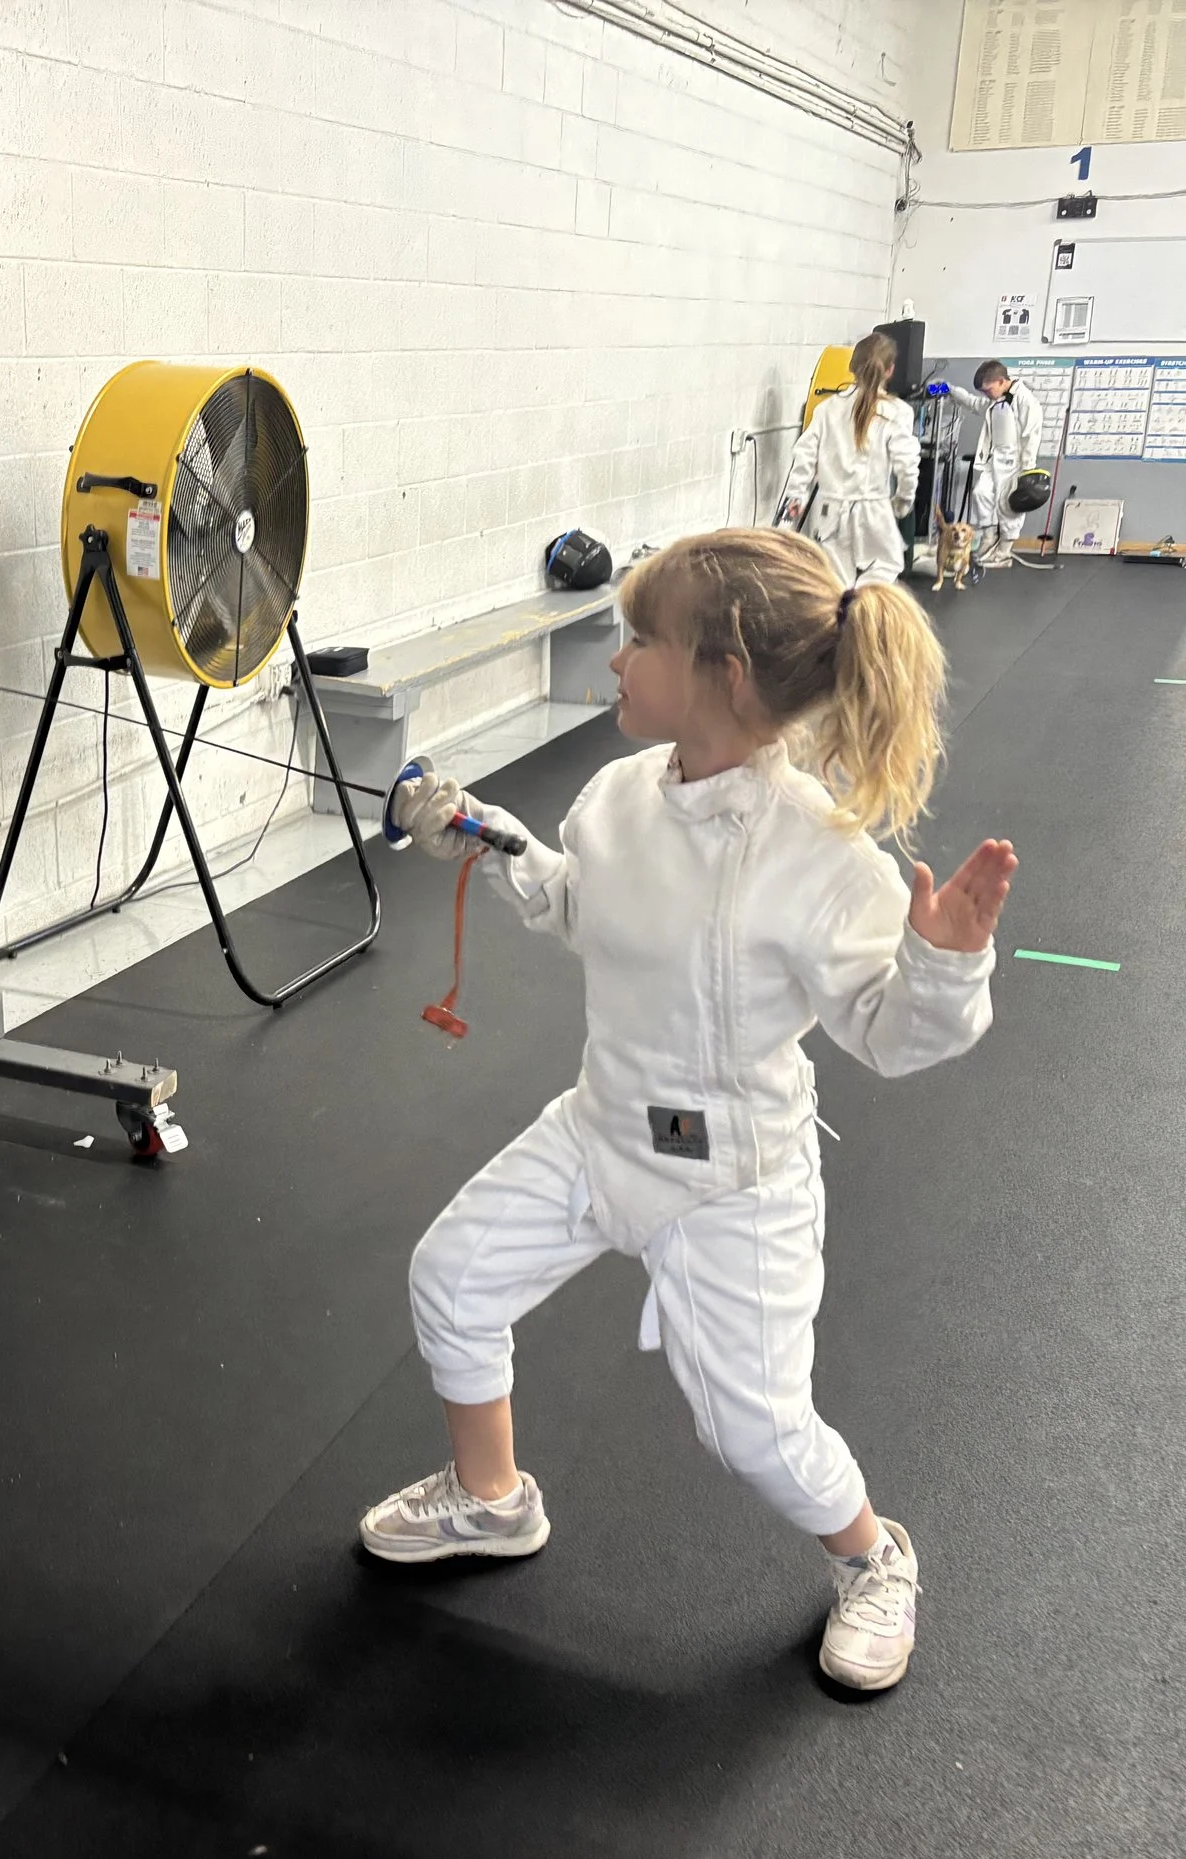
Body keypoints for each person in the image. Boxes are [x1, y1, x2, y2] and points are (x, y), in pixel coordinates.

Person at [362, 529, 1016, 1694]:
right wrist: (481, 837)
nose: (616, 663)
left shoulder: (820, 855)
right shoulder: (618, 793)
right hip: (601, 1125)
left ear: (721, 671)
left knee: (755, 1434)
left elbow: (887, 1033)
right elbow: (579, 907)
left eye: (638, 641)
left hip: (732, 1182)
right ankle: (490, 1499)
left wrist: (943, 967)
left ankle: (875, 1559)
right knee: (449, 1279)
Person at [775, 332, 922, 584]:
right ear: (890, 370)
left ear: (852, 367)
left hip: (828, 513)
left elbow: (802, 466)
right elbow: (907, 466)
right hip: (874, 512)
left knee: (835, 586)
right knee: (881, 578)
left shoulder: (826, 409)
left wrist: (785, 523)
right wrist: (903, 502)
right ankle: (864, 617)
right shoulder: (898, 412)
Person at [947, 361, 1045, 568]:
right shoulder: (995, 401)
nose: (986, 395)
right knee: (980, 493)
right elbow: (974, 403)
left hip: (1016, 463)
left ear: (1002, 381)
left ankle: (1003, 552)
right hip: (994, 459)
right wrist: (951, 390)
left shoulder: (1026, 401)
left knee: (1009, 507)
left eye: (988, 389)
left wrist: (1027, 470)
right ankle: (989, 537)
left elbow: (1031, 436)